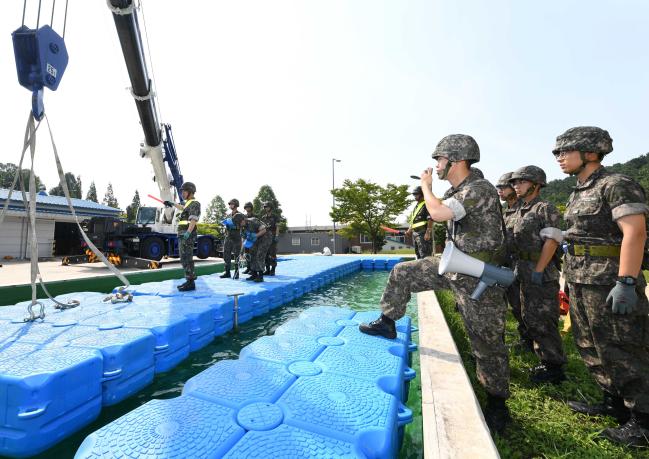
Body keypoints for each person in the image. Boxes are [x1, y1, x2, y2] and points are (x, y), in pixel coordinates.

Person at [359, 134, 511, 433]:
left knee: (486, 341)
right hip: (456, 266)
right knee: (403, 272)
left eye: (439, 160)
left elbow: (438, 213)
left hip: (478, 273)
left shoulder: (479, 188)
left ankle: (497, 404)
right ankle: (388, 321)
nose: (436, 166)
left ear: (456, 160)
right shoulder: (462, 189)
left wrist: (427, 187)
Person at [552, 126, 649, 447]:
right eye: (556, 152)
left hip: (608, 280)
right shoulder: (577, 191)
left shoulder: (616, 185)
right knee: (588, 342)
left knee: (622, 346)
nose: (559, 157)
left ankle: (644, 422)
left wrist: (626, 281)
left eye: (565, 151)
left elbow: (635, 233)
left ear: (590, 153)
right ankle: (615, 402)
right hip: (580, 278)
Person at [508, 166, 567, 384]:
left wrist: (539, 269)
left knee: (544, 320)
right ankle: (544, 358)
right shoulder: (520, 210)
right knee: (530, 317)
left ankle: (555, 367)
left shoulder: (544, 208)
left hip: (540, 271)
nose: (516, 185)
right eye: (514, 182)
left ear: (536, 184)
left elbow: (552, 241)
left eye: (521, 181)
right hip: (523, 269)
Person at [496, 172, 531, 352]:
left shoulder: (525, 207)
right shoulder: (506, 210)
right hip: (508, 264)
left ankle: (533, 344)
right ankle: (526, 341)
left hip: (525, 265)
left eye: (503, 187)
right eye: (498, 188)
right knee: (515, 305)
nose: (499, 191)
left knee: (525, 307)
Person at [164, 182, 200, 291]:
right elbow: (181, 207)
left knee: (187, 257)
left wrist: (188, 233)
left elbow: (193, 219)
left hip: (187, 234)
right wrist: (171, 203)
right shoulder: (188, 203)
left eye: (184, 191)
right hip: (182, 234)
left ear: (190, 192)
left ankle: (191, 282)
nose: (182, 193)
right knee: (183, 257)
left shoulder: (195, 203)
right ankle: (189, 280)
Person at [241, 213, 270, 282]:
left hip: (265, 238)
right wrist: (242, 250)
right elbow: (244, 239)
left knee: (259, 255)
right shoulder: (242, 227)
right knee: (252, 254)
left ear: (243, 220)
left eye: (239, 222)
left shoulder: (253, 221)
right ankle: (254, 274)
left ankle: (260, 275)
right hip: (254, 240)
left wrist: (255, 235)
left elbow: (264, 230)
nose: (238, 224)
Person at [220, 199, 245, 279]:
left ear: (236, 205)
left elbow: (244, 225)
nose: (230, 205)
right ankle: (227, 272)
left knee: (236, 255)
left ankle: (236, 273)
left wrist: (236, 226)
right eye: (230, 204)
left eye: (232, 204)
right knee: (226, 254)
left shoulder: (240, 215)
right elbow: (226, 225)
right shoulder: (228, 215)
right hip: (229, 236)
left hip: (237, 236)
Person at [405, 186, 433, 259]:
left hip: (423, 233)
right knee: (418, 255)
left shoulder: (426, 204)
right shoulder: (417, 206)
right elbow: (414, 221)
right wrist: (409, 230)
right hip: (416, 234)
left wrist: (428, 232)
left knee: (425, 255)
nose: (414, 196)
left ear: (422, 194)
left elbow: (430, 219)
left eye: (416, 194)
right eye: (414, 194)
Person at [261, 201, 279, 276]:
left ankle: (273, 270)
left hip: (272, 236)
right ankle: (267, 269)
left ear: (271, 207)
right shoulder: (263, 217)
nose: (266, 208)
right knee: (265, 254)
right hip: (265, 237)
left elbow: (277, 226)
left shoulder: (275, 216)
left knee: (272, 254)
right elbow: (261, 228)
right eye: (265, 207)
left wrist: (277, 236)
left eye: (267, 207)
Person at [241, 202, 255, 275]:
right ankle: (248, 267)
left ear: (251, 208)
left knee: (253, 253)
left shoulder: (255, 216)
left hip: (253, 237)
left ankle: (253, 269)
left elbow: (258, 226)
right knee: (246, 253)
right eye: (246, 207)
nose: (247, 209)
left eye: (248, 207)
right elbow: (243, 226)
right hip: (246, 237)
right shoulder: (244, 216)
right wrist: (242, 233)